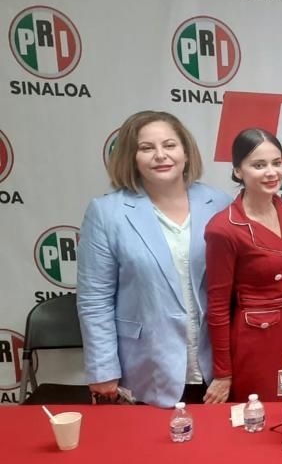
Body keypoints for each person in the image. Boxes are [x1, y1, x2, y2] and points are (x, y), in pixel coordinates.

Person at [77, 110, 231, 408]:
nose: (161, 155)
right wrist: (103, 369)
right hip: (146, 369)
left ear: (186, 152)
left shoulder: (221, 204)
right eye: (146, 148)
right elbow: (94, 300)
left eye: (170, 145)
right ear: (131, 157)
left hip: (216, 370)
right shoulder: (106, 213)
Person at [204, 129, 282, 403]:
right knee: (261, 415)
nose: (271, 172)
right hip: (256, 338)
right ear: (238, 171)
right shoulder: (224, 228)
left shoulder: (280, 207)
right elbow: (217, 306)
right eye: (259, 165)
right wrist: (223, 373)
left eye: (277, 163)